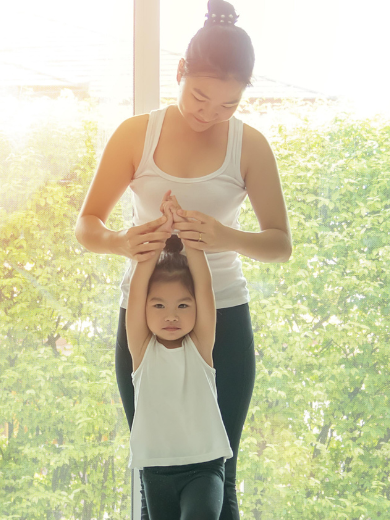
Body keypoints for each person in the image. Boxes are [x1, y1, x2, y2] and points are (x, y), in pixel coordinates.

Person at [74, 1, 291, 517]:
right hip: (147, 318)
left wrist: (224, 235)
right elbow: (87, 225)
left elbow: (279, 243)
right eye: (199, 96)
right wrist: (121, 243)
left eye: (227, 104)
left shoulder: (250, 146)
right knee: (156, 469)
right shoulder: (136, 135)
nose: (209, 113)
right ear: (179, 73)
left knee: (222, 469)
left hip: (224, 317)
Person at [126, 195, 231, 519]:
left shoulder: (199, 347)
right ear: (145, 308)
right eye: (159, 306)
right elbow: (136, 289)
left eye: (182, 306)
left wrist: (186, 234)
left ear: (195, 308)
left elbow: (204, 286)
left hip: (204, 467)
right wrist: (159, 235)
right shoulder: (142, 351)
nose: (171, 316)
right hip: (156, 469)